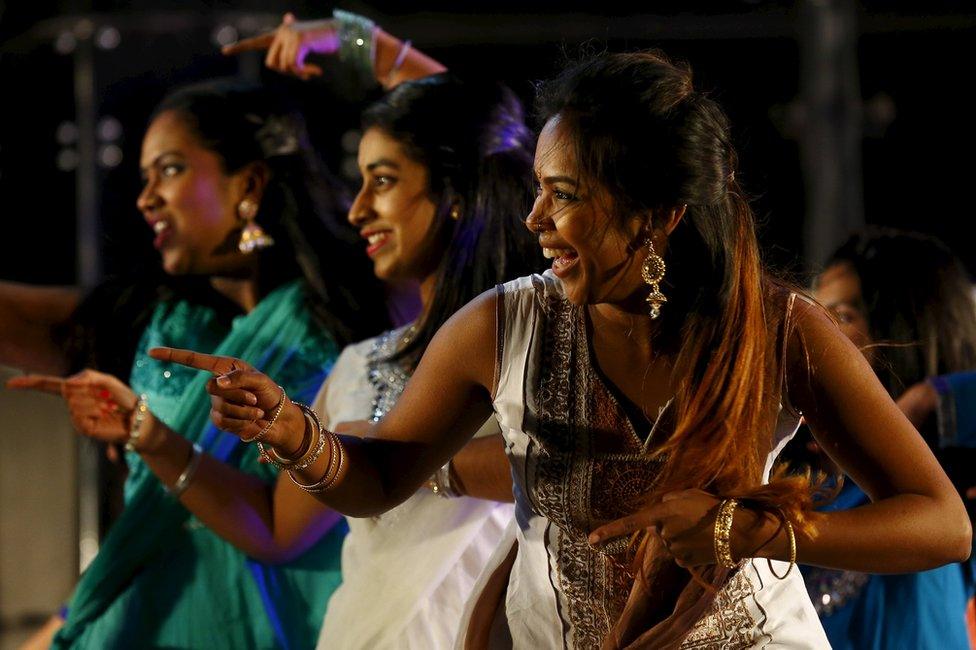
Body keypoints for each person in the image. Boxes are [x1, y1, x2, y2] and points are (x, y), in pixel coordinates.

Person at [156, 51, 971, 648]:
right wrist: (296, 435)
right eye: (538, 189)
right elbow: (376, 482)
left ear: (657, 215)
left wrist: (747, 532)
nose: (534, 220)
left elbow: (942, 525)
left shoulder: (778, 328)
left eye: (566, 196)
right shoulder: (502, 326)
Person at [6, 77, 392, 649]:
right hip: (149, 623)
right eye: (143, 179)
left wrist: (373, 53)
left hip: (280, 626)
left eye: (169, 170)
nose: (145, 198)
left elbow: (279, 528)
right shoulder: (157, 320)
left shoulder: (352, 332)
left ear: (250, 184)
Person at [226, 15, 542, 647]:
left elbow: (580, 470)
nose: (356, 208)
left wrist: (358, 40)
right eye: (360, 178)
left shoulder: (531, 338)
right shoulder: (354, 364)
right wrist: (150, 431)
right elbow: (280, 528)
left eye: (385, 180)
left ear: (456, 189)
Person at [808, 228, 976, 649]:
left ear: (908, 327)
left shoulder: (937, 481)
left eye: (843, 316)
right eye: (817, 316)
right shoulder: (813, 480)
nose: (819, 334)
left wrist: (929, 399)